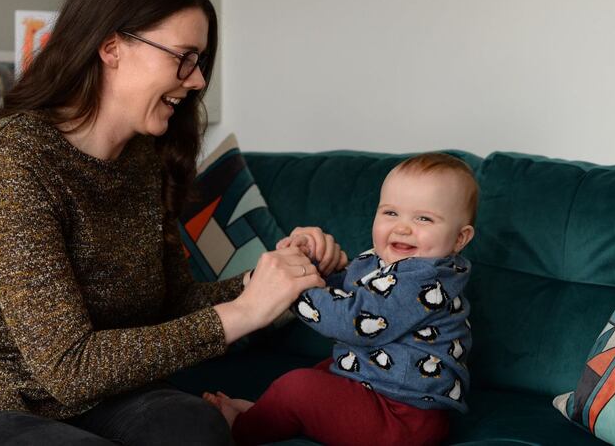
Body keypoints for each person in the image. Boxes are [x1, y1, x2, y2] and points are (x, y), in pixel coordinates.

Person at [0, 0, 346, 446]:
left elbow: (172, 302)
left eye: (200, 61)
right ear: (112, 47)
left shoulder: (144, 158)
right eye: (183, 56)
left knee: (193, 427)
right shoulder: (11, 160)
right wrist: (243, 313)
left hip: (105, 396)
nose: (197, 79)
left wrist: (275, 280)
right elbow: (66, 368)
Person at [204, 152, 478, 446]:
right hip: (380, 390)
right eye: (390, 213)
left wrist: (292, 288)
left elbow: (355, 322)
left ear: (460, 238)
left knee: (298, 389)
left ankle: (242, 427)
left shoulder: (426, 277)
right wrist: (311, 264)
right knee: (327, 370)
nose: (402, 227)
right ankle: (267, 414)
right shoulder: (387, 261)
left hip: (404, 418)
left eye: (423, 218)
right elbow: (352, 290)